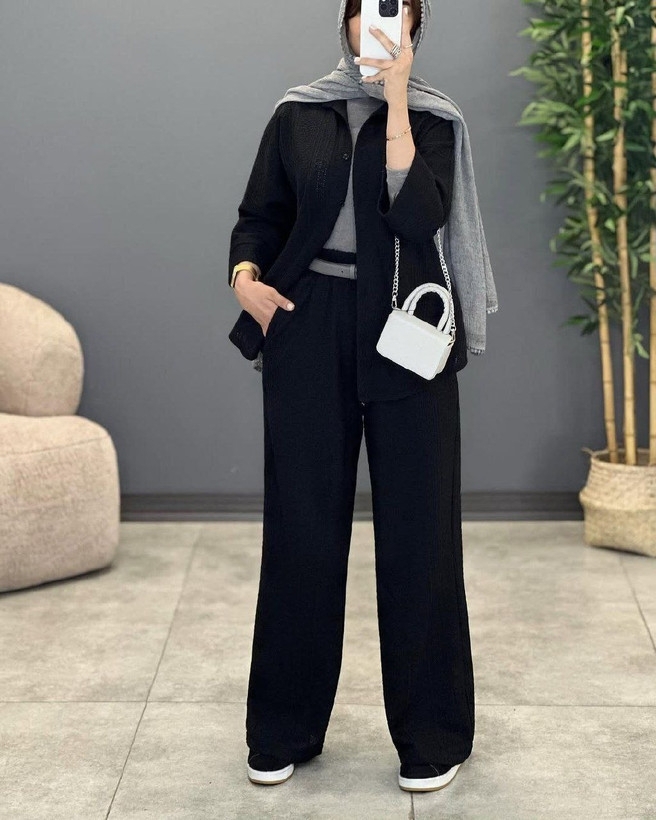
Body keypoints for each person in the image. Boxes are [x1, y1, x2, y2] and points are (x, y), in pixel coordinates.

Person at [228, 0, 497, 795]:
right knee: (301, 529)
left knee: (421, 534)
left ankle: (432, 736)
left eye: (399, 12)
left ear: (415, 30)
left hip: (407, 328)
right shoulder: (297, 114)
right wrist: (244, 279)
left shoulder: (436, 120)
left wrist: (398, 101)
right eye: (369, 11)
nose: (381, 26)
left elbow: (419, 216)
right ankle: (282, 729)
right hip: (308, 323)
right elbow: (259, 216)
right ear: (344, 24)